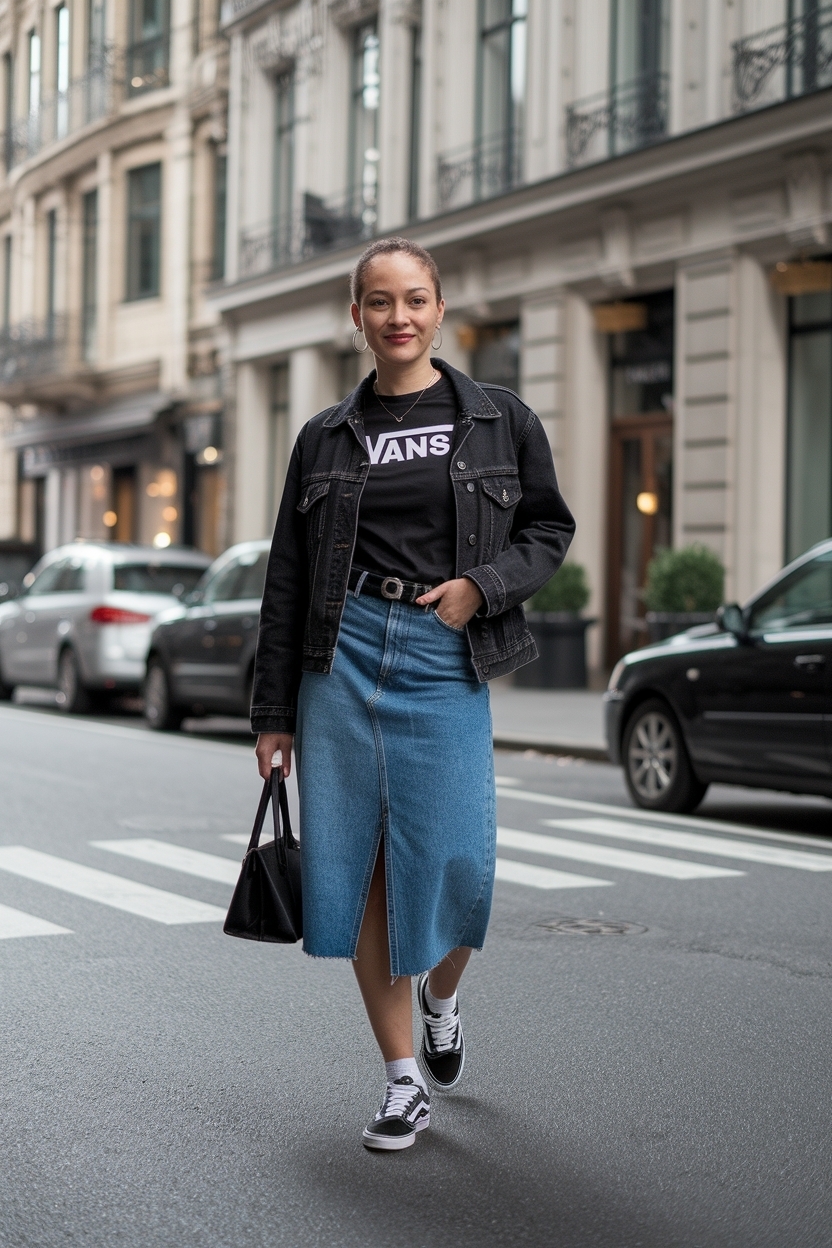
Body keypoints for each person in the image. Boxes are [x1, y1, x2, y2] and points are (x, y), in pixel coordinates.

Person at [252, 237, 575, 1151]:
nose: (399, 316)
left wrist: (485, 586)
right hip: (341, 653)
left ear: (440, 309)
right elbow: (287, 577)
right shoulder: (323, 436)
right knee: (360, 869)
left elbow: (548, 529)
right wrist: (272, 714)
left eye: (415, 299)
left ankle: (442, 995)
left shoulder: (500, 420)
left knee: (461, 865)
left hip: (443, 651)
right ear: (356, 316)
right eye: (380, 301)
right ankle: (402, 1080)